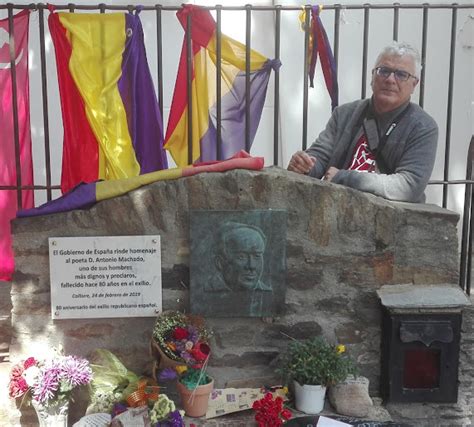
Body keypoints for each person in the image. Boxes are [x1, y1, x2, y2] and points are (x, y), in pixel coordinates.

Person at [287, 41, 438, 203]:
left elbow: (409, 186)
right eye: (384, 71)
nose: (390, 79)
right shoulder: (345, 114)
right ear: (372, 76)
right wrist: (305, 165)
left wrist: (344, 177)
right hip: (335, 206)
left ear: (414, 84)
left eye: (401, 74)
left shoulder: (423, 127)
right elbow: (320, 156)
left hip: (391, 219)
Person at [205, 222, 272, 293]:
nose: (251, 266)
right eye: (241, 257)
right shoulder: (203, 290)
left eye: (257, 256)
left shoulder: (267, 292)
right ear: (220, 263)